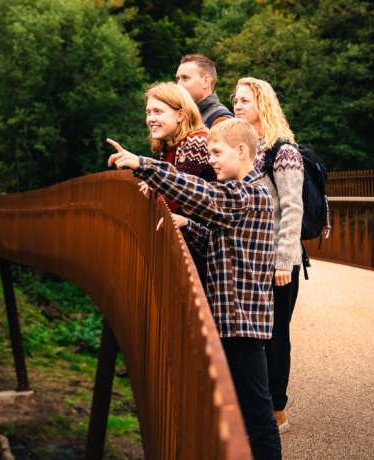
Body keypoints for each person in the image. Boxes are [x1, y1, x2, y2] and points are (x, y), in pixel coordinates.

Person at [107, 118, 281, 460]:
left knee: (257, 413)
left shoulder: (247, 193)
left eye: (216, 153)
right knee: (243, 409)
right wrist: (188, 224)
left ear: (242, 151)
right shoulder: (241, 196)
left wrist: (144, 165)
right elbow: (223, 248)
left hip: (242, 324)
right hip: (234, 320)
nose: (210, 160)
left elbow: (202, 194)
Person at [234, 77, 303, 434]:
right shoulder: (248, 147)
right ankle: (255, 407)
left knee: (275, 336)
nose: (238, 104)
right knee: (255, 335)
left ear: (263, 103)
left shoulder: (283, 150)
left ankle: (277, 411)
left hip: (279, 261)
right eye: (236, 99)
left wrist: (284, 261)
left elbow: (292, 208)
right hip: (251, 257)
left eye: (245, 99)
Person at [137, 82, 216, 284]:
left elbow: (176, 192)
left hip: (208, 243)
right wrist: (157, 183)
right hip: (190, 236)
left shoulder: (195, 142)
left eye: (158, 112)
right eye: (148, 112)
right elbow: (171, 188)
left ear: (180, 115)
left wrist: (156, 182)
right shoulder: (170, 147)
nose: (151, 119)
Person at [176, 54, 234, 129]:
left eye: (185, 78)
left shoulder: (222, 121)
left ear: (206, 81)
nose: (178, 84)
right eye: (178, 79)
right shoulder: (182, 116)